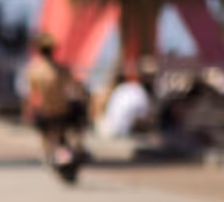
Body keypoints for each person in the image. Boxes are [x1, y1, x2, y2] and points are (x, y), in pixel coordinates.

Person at [26, 34, 85, 167]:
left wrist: (29, 110)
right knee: (77, 121)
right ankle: (77, 147)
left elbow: (31, 96)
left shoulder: (33, 70)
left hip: (45, 111)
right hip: (63, 111)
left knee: (44, 131)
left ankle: (48, 154)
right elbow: (78, 89)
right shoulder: (63, 70)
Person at [98, 69, 153, 139]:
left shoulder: (121, 88)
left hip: (108, 128)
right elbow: (143, 117)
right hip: (122, 132)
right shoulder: (138, 90)